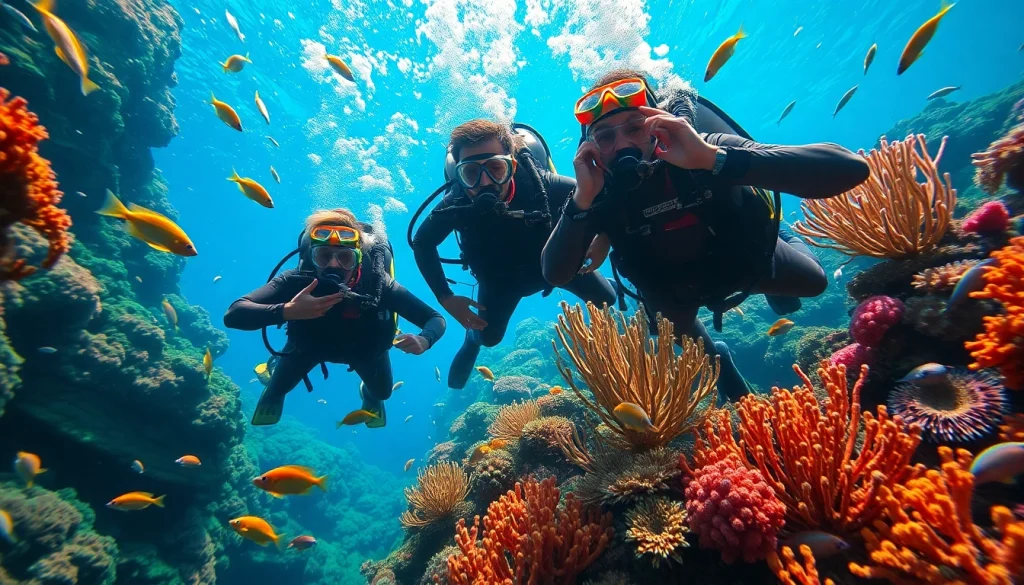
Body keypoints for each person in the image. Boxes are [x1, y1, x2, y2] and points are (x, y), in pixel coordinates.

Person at [542, 70, 870, 400]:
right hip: (670, 288)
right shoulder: (596, 190)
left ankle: (779, 233)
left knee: (814, 282)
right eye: (604, 137)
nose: (622, 145)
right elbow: (555, 273)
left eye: (634, 128)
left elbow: (851, 168)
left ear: (658, 122)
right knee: (678, 335)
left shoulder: (702, 147)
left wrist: (712, 158)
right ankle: (721, 362)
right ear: (591, 148)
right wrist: (582, 200)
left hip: (742, 260)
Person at [412, 120, 617, 389]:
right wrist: (446, 297)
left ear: (513, 166)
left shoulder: (540, 184)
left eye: (496, 168)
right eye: (471, 172)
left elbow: (601, 195)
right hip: (500, 282)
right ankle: (471, 341)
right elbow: (422, 242)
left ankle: (619, 289)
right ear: (459, 176)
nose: (485, 182)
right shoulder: (456, 202)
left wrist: (605, 237)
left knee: (608, 299)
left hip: (559, 264)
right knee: (488, 339)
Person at [224, 208, 446, 426]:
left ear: (358, 259)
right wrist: (288, 310)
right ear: (311, 256)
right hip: (307, 347)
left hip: (365, 352)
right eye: (323, 256)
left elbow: (435, 319)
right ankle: (274, 391)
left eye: (345, 257)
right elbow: (234, 314)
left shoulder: (378, 284)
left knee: (382, 393)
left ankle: (368, 395)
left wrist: (425, 339)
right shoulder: (296, 281)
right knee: (277, 389)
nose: (333, 265)